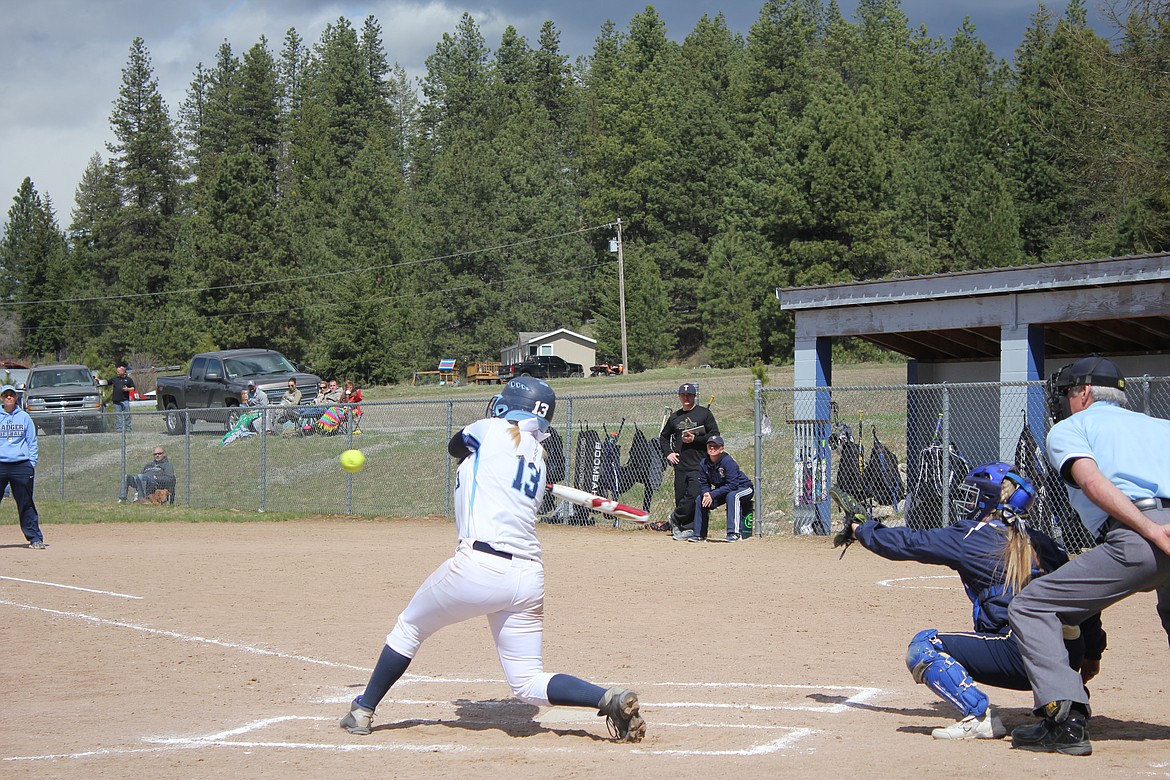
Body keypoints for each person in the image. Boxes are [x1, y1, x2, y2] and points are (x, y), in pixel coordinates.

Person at [339, 378, 646, 743]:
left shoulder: (490, 428)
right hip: (528, 577)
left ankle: (362, 708)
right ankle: (607, 698)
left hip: (478, 566)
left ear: (507, 406)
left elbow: (456, 446)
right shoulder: (539, 457)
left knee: (409, 628)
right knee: (528, 682)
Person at [846, 462, 1105, 740]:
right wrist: (1092, 653)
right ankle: (1070, 703)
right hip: (1066, 656)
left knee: (924, 646)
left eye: (975, 494)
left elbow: (909, 542)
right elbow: (1084, 602)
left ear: (989, 500)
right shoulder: (1044, 543)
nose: (968, 501)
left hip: (1020, 658)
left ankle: (978, 716)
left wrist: (861, 529)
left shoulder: (971, 537)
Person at [1008, 355, 1170, 756]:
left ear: (1082, 393)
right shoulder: (1162, 425)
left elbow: (1093, 482)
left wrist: (1150, 529)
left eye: (1067, 392)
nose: (1065, 401)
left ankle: (1065, 721)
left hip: (1141, 536)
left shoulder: (1071, 427)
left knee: (1033, 605)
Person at [658, 383, 719, 540]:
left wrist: (696, 439)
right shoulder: (675, 417)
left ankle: (675, 519)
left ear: (694, 396)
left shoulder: (704, 414)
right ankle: (685, 529)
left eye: (689, 395)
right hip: (680, 465)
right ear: (679, 397)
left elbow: (715, 436)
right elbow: (663, 437)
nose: (686, 398)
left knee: (693, 495)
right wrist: (669, 453)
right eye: (683, 395)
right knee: (681, 498)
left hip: (699, 464)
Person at [0, 384, 43, 549]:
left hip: (21, 465)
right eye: (5, 395)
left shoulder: (24, 417)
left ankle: (35, 538)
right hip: (1, 463)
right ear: (1, 398)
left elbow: (31, 441)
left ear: (16, 397)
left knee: (25, 502)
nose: (9, 397)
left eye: (11, 394)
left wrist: (31, 463)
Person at [691, 435, 754, 542]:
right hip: (724, 489)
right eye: (710, 446)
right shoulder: (704, 463)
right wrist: (706, 493)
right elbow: (704, 483)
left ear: (721, 449)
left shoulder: (727, 461)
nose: (712, 448)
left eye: (715, 446)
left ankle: (734, 533)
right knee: (700, 499)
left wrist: (713, 494)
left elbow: (733, 485)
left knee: (732, 496)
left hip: (743, 488)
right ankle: (699, 534)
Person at [110, 364, 136, 433]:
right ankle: (119, 430)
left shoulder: (128, 379)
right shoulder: (114, 379)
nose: (117, 372)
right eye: (117, 371)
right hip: (116, 401)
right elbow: (106, 382)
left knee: (127, 415)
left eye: (119, 371)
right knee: (118, 416)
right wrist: (98, 380)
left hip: (125, 400)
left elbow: (133, 388)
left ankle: (128, 429)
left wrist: (127, 389)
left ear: (123, 371)